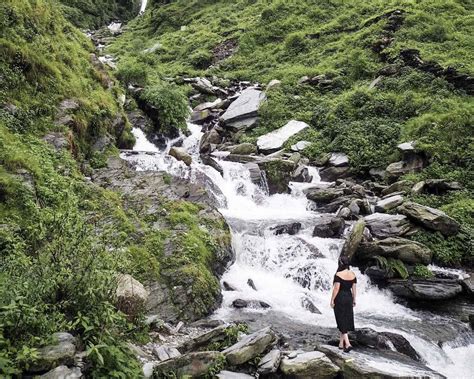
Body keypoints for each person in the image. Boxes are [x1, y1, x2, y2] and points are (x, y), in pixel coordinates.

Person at [330, 255, 357, 352]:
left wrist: (332, 300)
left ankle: (348, 343)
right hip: (349, 297)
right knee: (345, 319)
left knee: (341, 320)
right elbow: (354, 289)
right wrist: (354, 299)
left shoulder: (338, 275)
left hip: (340, 298)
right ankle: (341, 344)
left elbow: (336, 288)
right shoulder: (353, 274)